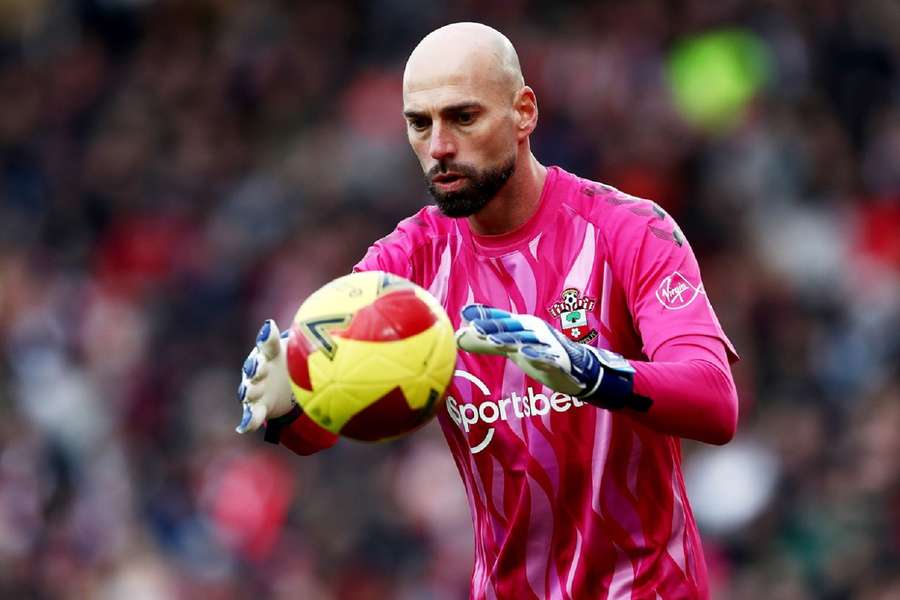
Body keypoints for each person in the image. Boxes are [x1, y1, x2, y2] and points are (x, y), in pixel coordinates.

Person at [235, 22, 739, 599]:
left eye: (463, 117)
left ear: (524, 112)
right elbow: (327, 424)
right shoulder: (404, 266)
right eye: (419, 124)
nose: (439, 146)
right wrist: (286, 408)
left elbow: (714, 402)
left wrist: (588, 370)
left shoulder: (628, 229)